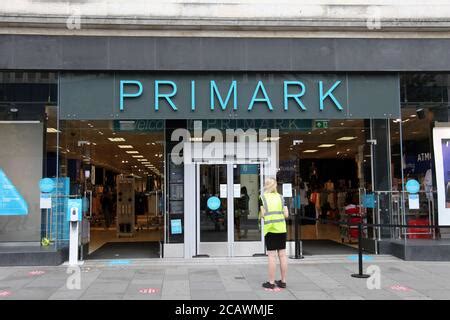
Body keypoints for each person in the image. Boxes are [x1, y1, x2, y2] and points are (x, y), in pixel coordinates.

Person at [259, 178, 289, 289]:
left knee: (272, 256)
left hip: (270, 229)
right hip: (281, 228)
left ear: (266, 186)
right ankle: (283, 281)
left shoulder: (262, 198)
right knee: (282, 255)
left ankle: (271, 283)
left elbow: (263, 214)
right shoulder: (281, 197)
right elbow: (286, 214)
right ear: (275, 185)